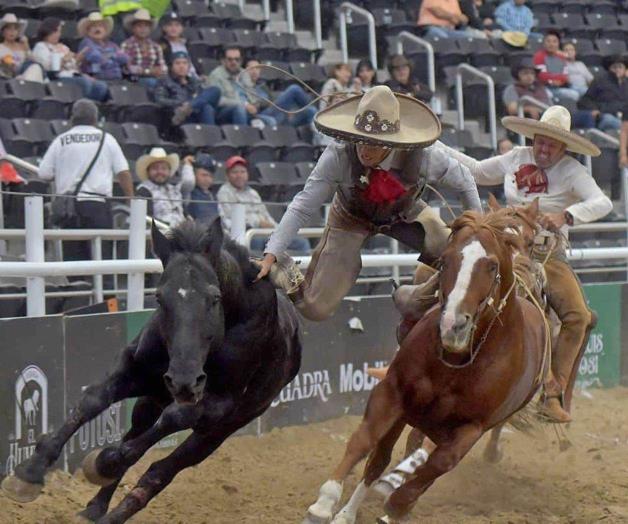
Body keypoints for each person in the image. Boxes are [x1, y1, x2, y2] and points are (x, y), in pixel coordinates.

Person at [438, 105, 612, 423]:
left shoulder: (573, 170)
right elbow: (477, 171)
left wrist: (566, 216)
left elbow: (603, 202)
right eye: (540, 141)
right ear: (533, 138)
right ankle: (414, 347)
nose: (543, 148)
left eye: (551, 144)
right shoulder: (516, 157)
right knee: (441, 273)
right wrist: (438, 144)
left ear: (563, 147)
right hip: (505, 246)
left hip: (547, 254)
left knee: (578, 316)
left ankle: (552, 391)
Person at [254, 85, 482, 322]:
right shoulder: (339, 154)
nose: (364, 149)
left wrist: (477, 231)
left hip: (405, 213)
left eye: (373, 142)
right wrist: (273, 251)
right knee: (315, 308)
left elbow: (465, 180)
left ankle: (411, 297)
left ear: (393, 142)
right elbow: (303, 205)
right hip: (349, 218)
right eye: (359, 139)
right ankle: (285, 269)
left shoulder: (425, 156)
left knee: (461, 258)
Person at [38, 99, 134, 264]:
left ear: (72, 117)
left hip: (69, 207)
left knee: (74, 260)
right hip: (97, 205)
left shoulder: (61, 140)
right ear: (95, 118)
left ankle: (78, 287)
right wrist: (131, 200)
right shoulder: (107, 139)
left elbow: (44, 173)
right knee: (102, 258)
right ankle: (106, 289)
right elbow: (123, 172)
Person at [217, 156, 311, 254]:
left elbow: (266, 216)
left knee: (301, 242)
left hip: (265, 232)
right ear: (227, 175)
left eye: (242, 172)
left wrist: (278, 229)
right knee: (257, 242)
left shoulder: (252, 193)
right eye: (235, 172)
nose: (239, 175)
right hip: (246, 234)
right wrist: (258, 222)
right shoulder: (225, 192)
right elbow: (231, 222)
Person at [32, 18, 109, 101]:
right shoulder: (41, 46)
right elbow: (47, 68)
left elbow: (73, 66)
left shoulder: (63, 47)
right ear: (48, 32)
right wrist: (64, 60)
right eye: (56, 31)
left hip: (74, 75)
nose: (58, 34)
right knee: (83, 83)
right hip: (57, 78)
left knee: (101, 86)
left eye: (59, 32)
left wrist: (78, 60)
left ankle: (91, 107)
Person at [153, 51, 221, 126]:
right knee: (207, 108)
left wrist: (190, 105)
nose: (181, 66)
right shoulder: (164, 81)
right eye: (177, 63)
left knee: (215, 90)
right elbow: (160, 100)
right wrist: (182, 103)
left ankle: (188, 107)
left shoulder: (194, 81)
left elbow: (202, 98)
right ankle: (211, 136)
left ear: (189, 66)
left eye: (185, 63)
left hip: (195, 112)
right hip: (177, 116)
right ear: (171, 67)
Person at [245, 58, 317, 127]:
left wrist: (287, 110)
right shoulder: (243, 87)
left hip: (281, 118)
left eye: (257, 68)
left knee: (311, 110)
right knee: (294, 89)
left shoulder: (263, 86)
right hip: (262, 117)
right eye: (251, 68)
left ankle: (321, 132)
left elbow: (272, 102)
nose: (254, 71)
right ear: (244, 70)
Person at [135, 147, 194, 227]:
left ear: (169, 171)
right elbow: (146, 220)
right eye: (155, 168)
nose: (160, 172)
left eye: (164, 168)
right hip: (159, 234)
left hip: (182, 234)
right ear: (148, 171)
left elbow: (183, 213)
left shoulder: (174, 190)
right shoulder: (143, 190)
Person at [207, 46, 263, 126]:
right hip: (225, 112)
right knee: (239, 109)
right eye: (230, 59)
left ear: (241, 61)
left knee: (271, 121)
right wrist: (244, 105)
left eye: (237, 59)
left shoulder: (244, 73)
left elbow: (252, 94)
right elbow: (218, 100)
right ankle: (242, 137)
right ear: (223, 61)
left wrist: (255, 105)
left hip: (249, 112)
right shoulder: (216, 75)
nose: (234, 62)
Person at [578, 55, 627, 132]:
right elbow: (585, 100)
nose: (617, 70)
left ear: (625, 69)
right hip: (606, 115)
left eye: (620, 67)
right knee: (609, 120)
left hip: (624, 117)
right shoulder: (600, 81)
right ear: (609, 68)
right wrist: (594, 110)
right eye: (614, 67)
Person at [121, 8, 166, 90]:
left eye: (146, 26)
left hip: (155, 79)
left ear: (150, 29)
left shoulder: (156, 47)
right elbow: (127, 68)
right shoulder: (127, 45)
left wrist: (158, 71)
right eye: (139, 26)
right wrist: (148, 71)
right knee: (152, 83)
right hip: (134, 80)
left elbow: (162, 68)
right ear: (133, 28)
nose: (143, 29)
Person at [78, 11, 128, 82]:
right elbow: (95, 57)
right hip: (96, 80)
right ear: (88, 31)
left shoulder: (112, 45)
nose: (97, 29)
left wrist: (108, 55)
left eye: (100, 26)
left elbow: (124, 58)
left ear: (105, 30)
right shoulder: (86, 43)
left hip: (116, 79)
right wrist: (112, 56)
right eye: (94, 26)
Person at [533, 30, 579, 103]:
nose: (551, 44)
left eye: (554, 42)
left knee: (574, 94)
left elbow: (565, 75)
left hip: (559, 87)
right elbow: (541, 75)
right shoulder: (539, 56)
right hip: (543, 87)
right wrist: (552, 81)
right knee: (548, 95)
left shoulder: (561, 57)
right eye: (548, 41)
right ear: (544, 43)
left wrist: (559, 81)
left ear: (558, 44)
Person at [0, 13, 42, 81]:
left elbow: (34, 62)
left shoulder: (23, 46)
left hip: (24, 76)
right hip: (6, 78)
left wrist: (27, 47)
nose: (12, 32)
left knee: (36, 68)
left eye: (15, 29)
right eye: (9, 28)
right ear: (3, 31)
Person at [158, 11, 197, 77]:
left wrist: (201, 74)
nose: (174, 28)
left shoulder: (187, 44)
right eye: (170, 25)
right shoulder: (160, 45)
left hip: (193, 77)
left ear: (182, 28)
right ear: (164, 28)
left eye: (177, 25)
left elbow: (194, 63)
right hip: (173, 79)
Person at [186, 153, 219, 225]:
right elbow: (187, 181)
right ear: (194, 174)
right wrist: (187, 164)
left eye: (211, 176)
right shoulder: (188, 191)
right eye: (204, 175)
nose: (208, 179)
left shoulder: (213, 195)